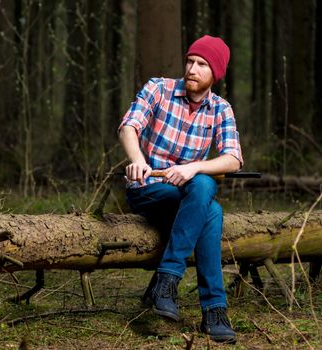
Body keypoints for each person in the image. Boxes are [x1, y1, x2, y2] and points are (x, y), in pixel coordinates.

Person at [118, 35, 243, 343]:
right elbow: (129, 125)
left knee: (203, 187)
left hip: (188, 194)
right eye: (190, 61)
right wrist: (137, 159)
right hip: (148, 190)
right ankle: (213, 308)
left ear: (216, 73)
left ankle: (167, 283)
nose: (192, 69)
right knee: (210, 210)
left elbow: (233, 159)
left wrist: (193, 167)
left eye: (202, 65)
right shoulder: (158, 89)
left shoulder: (220, 109)